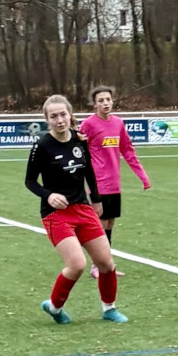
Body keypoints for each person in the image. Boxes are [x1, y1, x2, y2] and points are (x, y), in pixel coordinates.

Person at [25, 94, 128, 325]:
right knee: (77, 264)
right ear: (46, 119)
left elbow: (89, 171)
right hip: (56, 215)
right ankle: (54, 306)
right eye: (54, 116)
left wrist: (97, 199)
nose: (59, 120)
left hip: (82, 208)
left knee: (106, 263)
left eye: (63, 114)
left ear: (70, 115)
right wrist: (49, 195)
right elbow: (30, 181)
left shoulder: (79, 139)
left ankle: (109, 309)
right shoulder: (41, 145)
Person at [79, 85, 151, 279]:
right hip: (98, 183)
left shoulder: (118, 123)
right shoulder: (88, 124)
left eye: (108, 100)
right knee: (100, 224)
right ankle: (98, 266)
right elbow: (78, 148)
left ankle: (103, 265)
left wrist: (142, 176)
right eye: (101, 100)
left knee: (110, 224)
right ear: (94, 104)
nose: (105, 103)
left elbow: (127, 150)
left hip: (114, 183)